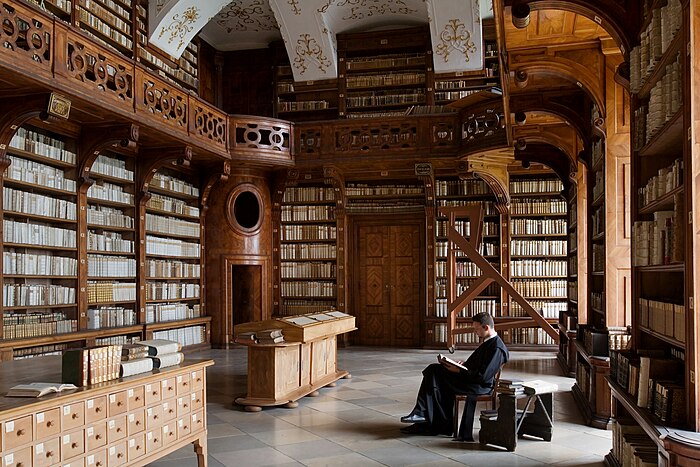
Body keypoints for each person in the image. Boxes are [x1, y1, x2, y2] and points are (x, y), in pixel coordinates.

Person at [400, 311, 509, 437]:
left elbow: (482, 376)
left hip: (478, 386)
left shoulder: (496, 348)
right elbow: (478, 366)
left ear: (486, 327)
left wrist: (458, 370)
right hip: (470, 380)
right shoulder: (489, 342)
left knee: (434, 372)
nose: (475, 332)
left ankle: (425, 418)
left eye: (476, 329)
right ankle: (426, 419)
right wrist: (462, 365)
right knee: (434, 373)